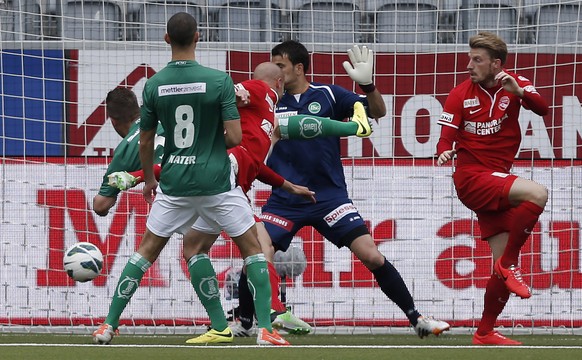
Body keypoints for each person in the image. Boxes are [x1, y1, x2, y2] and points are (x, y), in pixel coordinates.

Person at [107, 62, 372, 338]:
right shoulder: (265, 100)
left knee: (213, 246)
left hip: (232, 174)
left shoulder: (267, 114)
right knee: (226, 245)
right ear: (280, 82)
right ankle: (256, 318)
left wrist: (287, 183)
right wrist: (350, 129)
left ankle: (253, 319)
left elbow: (279, 140)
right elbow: (262, 111)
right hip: (229, 174)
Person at [92, 12, 290, 346]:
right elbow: (232, 136)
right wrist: (208, 143)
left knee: (144, 254)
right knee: (253, 251)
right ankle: (266, 330)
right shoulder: (218, 81)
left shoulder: (154, 85)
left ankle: (108, 326)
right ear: (199, 37)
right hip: (216, 181)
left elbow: (145, 139)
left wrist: (150, 182)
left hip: (175, 182)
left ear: (166, 39)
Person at [233, 39, 451, 339]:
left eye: (280, 66)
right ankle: (245, 322)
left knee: (371, 255)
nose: (276, 73)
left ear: (299, 68)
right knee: (257, 252)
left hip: (329, 197)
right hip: (285, 197)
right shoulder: (268, 101)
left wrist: (369, 86)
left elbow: (378, 112)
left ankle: (417, 319)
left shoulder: (328, 94)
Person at [436, 32, 549, 346]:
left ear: (496, 64)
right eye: (470, 58)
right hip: (472, 178)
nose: (469, 65)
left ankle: (484, 332)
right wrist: (444, 149)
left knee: (499, 272)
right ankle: (510, 264)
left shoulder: (516, 83)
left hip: (496, 180)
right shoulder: (460, 94)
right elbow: (446, 136)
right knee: (537, 194)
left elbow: (543, 109)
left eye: (477, 60)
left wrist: (520, 93)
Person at [92, 87, 164, 217]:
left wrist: (133, 178)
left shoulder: (124, 152)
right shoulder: (165, 117)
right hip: (205, 182)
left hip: (177, 199)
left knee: (155, 234)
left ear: (113, 121)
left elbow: (100, 205)